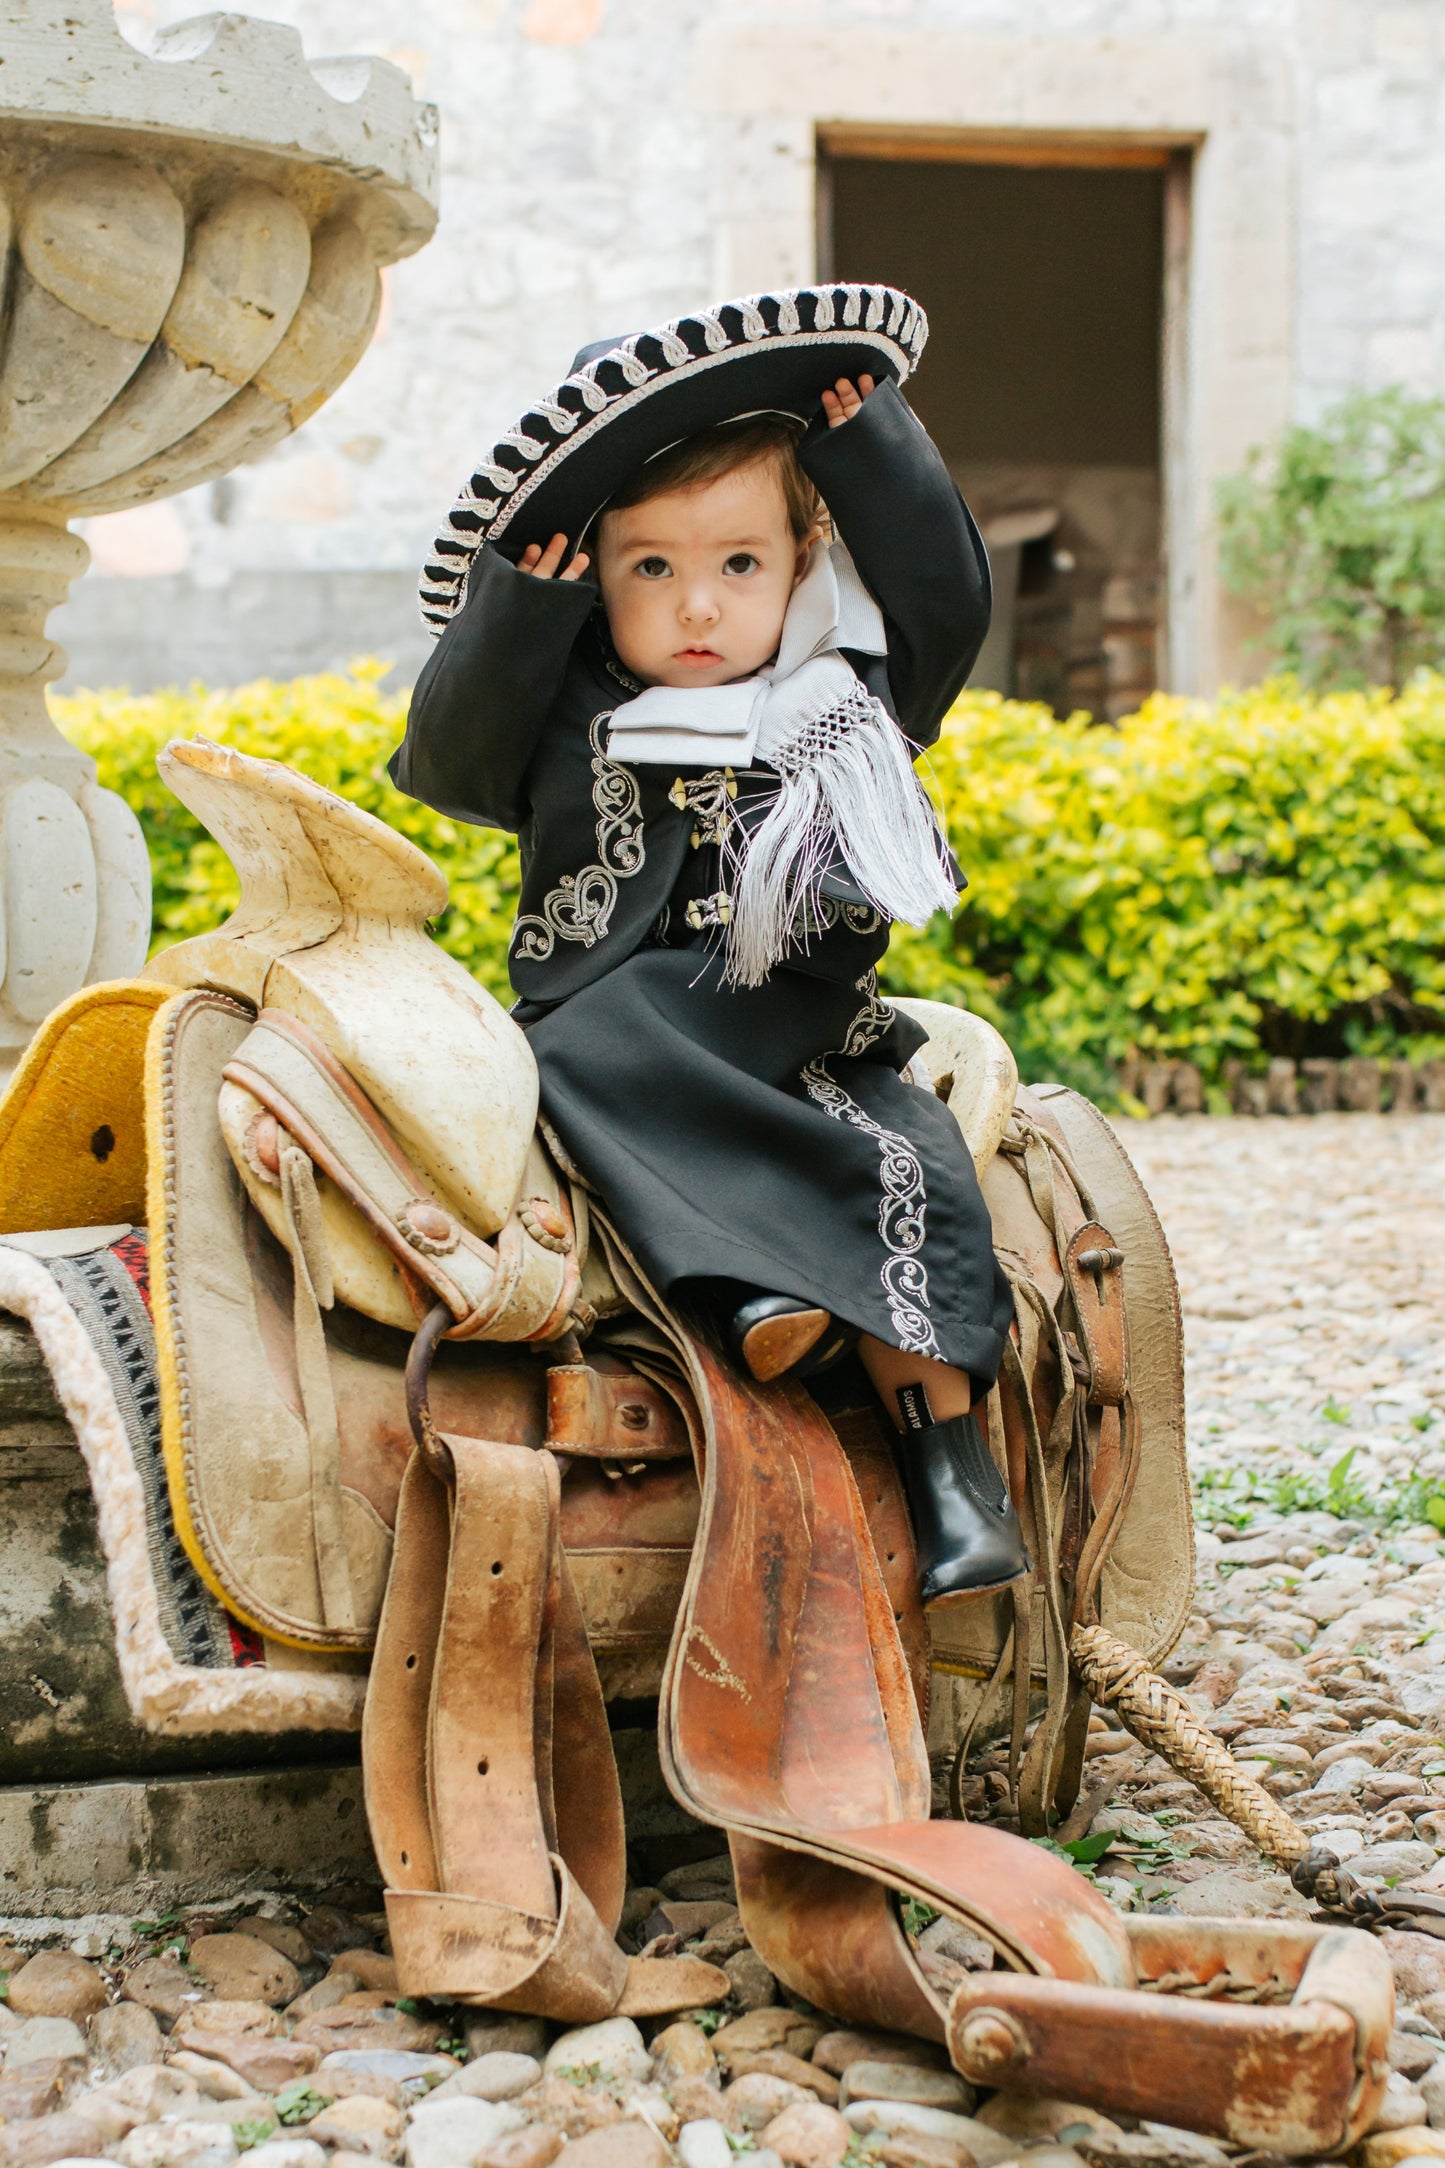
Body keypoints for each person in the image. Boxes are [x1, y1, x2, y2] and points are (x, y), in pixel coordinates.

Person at [391, 283, 1026, 1607]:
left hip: (793, 1024)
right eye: (648, 568)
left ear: (802, 560)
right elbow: (449, 758)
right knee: (574, 1052)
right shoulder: (575, 712)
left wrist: (870, 455)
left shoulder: (840, 705)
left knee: (899, 1151)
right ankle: (745, 1297)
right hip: (616, 1018)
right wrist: (524, 606)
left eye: (737, 563)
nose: (695, 608)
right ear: (595, 580)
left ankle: (952, 1472)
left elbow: (947, 602)